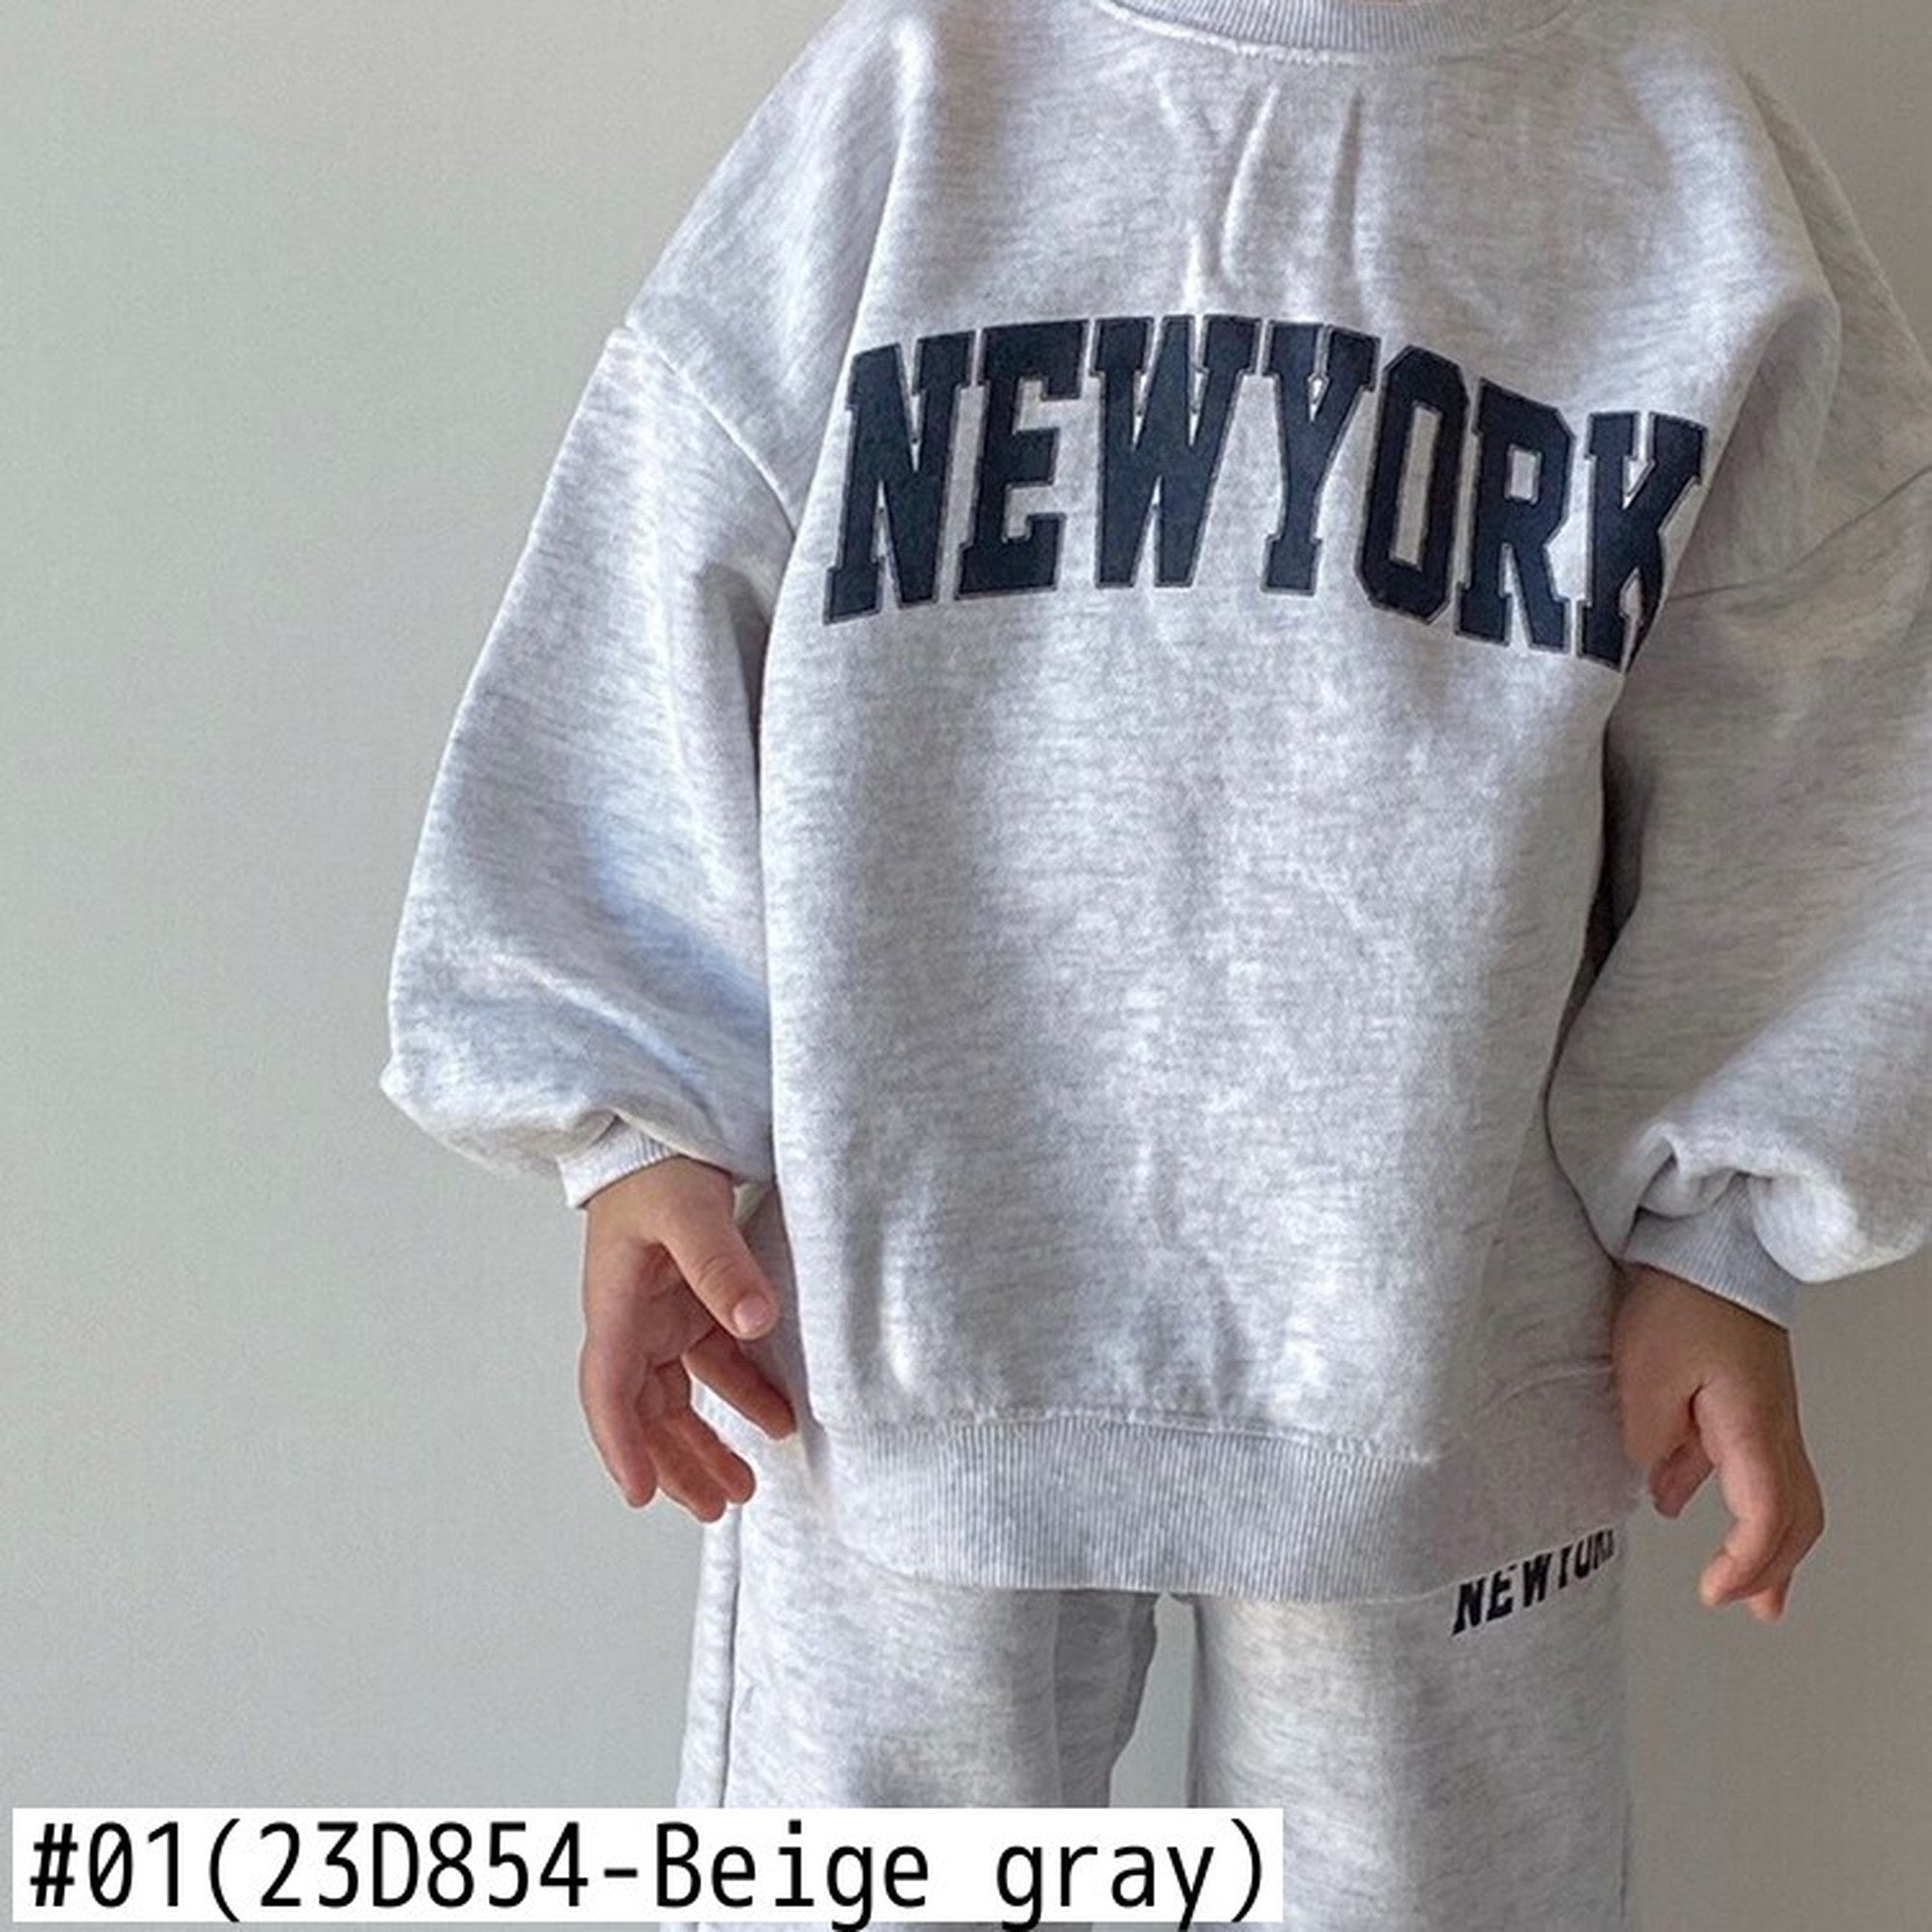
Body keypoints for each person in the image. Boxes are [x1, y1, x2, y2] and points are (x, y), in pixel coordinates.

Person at [379, 0, 1932, 1922]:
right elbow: (666, 543)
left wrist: (1726, 1228)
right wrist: (634, 1114)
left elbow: (1818, 706)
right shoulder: (921, 84)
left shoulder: (1679, 157)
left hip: (1448, 1321)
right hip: (894, 1300)